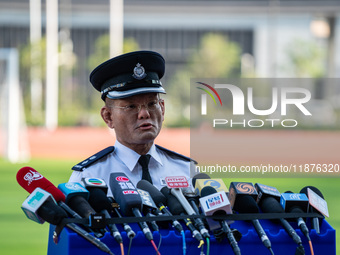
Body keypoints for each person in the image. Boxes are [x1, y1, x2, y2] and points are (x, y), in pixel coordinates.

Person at [69, 51, 196, 196]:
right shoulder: (89, 177)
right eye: (130, 106)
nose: (144, 114)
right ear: (108, 116)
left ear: (162, 108)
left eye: (152, 103)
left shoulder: (186, 170)